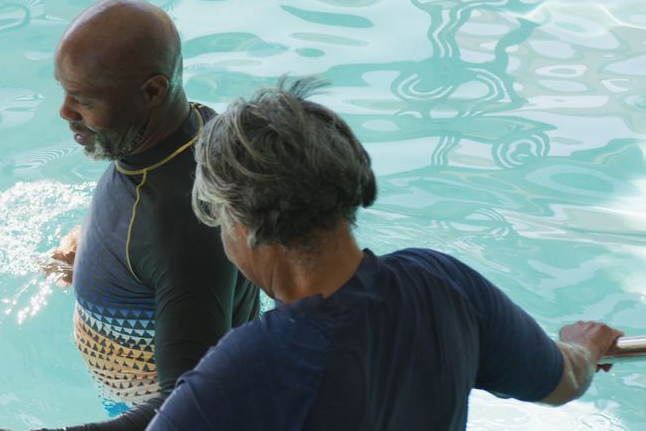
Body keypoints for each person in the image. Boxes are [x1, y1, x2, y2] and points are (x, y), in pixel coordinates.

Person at [148, 78, 624, 430]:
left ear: (242, 223)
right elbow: (564, 380)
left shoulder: (246, 367)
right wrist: (586, 344)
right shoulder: (442, 285)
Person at [35, 0, 261, 430]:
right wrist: (93, 245)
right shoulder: (188, 136)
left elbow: (192, 407)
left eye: (83, 99)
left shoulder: (183, 223)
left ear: (153, 91)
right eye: (64, 92)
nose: (64, 112)